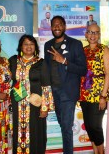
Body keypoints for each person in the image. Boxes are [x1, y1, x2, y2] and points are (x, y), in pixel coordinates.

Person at [44, 15, 87, 154]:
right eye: (54, 25)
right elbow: (46, 68)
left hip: (68, 93)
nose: (57, 27)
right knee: (63, 126)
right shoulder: (47, 45)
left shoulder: (75, 44)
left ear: (64, 27)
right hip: (54, 92)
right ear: (51, 28)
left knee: (67, 128)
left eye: (60, 24)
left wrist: (64, 61)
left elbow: (83, 69)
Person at [9, 34, 54, 154]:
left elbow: (46, 86)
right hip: (17, 104)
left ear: (35, 47)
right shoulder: (13, 61)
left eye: (31, 44)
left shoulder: (41, 63)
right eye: (25, 44)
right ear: (21, 46)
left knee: (35, 133)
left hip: (34, 105)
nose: (29, 46)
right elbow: (8, 80)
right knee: (17, 132)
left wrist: (44, 107)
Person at [79, 24, 109, 154]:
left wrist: (103, 96)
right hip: (84, 93)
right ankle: (95, 151)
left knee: (95, 126)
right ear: (86, 34)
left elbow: (108, 73)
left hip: (99, 93)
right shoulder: (82, 50)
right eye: (90, 32)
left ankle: (101, 151)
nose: (93, 35)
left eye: (96, 33)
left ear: (99, 35)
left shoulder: (104, 50)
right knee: (88, 126)